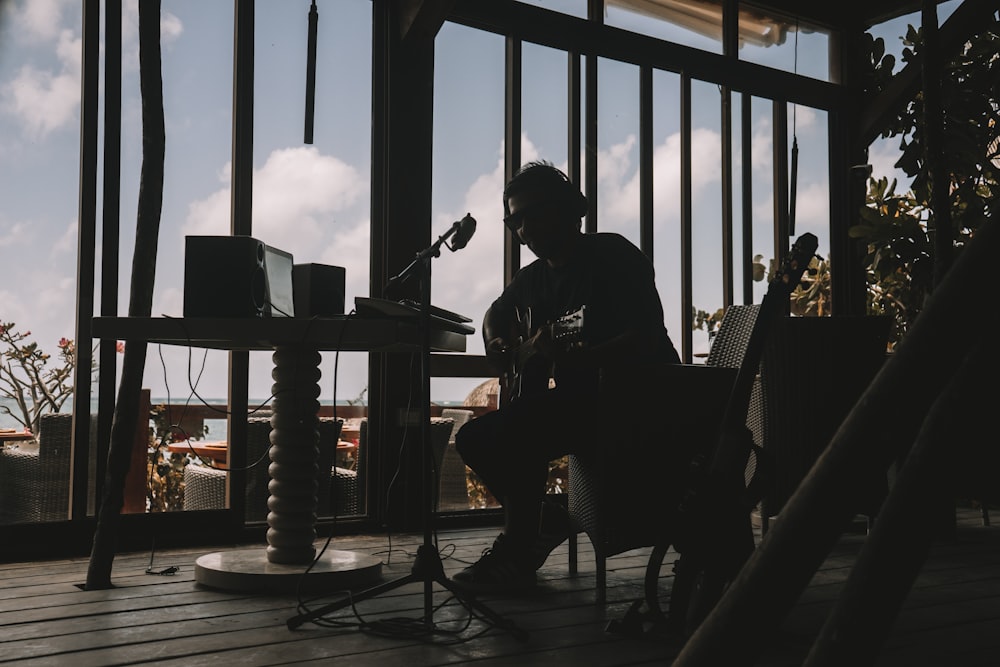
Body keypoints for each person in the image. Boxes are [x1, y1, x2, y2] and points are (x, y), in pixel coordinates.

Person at [451, 160, 682, 593]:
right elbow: (497, 312)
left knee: (507, 434)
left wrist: (579, 359)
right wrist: (497, 342)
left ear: (571, 209)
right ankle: (541, 524)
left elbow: (646, 337)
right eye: (514, 220)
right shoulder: (532, 279)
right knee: (477, 437)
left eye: (533, 214)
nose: (524, 229)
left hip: (638, 401)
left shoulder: (613, 255)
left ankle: (521, 546)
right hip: (582, 406)